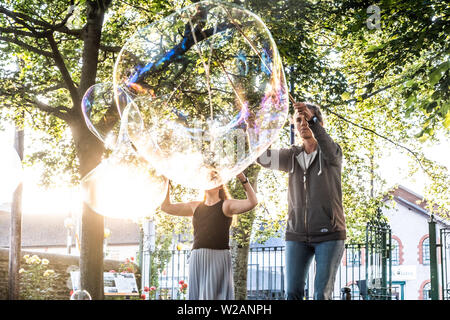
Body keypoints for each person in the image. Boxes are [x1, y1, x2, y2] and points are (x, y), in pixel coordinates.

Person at [257, 102, 346, 300]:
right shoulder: (291, 156)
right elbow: (262, 158)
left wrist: (312, 121)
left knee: (321, 295)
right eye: (299, 120)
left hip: (329, 234)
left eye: (307, 119)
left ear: (319, 123)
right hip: (296, 234)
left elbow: (329, 148)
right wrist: (257, 129)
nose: (303, 123)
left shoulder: (332, 154)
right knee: (292, 293)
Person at [160, 172, 258, 300]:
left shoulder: (226, 205)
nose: (208, 181)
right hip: (197, 257)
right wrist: (166, 182)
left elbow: (252, 202)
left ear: (219, 186)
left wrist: (243, 179)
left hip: (218, 257)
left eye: (212, 179)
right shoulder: (195, 206)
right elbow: (165, 207)